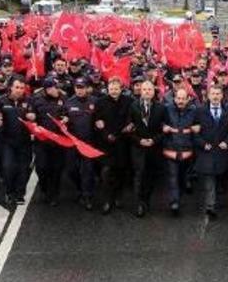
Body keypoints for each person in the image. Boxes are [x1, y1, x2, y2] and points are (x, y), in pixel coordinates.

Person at [192, 85, 228, 218]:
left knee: (221, 177)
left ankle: (218, 199)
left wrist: (227, 142)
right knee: (209, 178)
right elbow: (194, 131)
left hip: (223, 151)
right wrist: (202, 143)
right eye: (213, 94)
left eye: (218, 93)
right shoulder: (200, 110)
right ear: (208, 95)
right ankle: (210, 206)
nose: (215, 96)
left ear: (222, 95)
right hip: (207, 150)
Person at [93, 77, 133, 214]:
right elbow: (97, 122)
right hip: (106, 143)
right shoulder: (100, 102)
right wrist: (106, 135)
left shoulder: (128, 101)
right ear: (107, 89)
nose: (114, 91)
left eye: (116, 89)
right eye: (111, 89)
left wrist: (125, 130)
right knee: (106, 171)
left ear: (121, 89)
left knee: (121, 171)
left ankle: (118, 196)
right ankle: (107, 199)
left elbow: (130, 119)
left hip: (122, 142)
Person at [128, 81, 165, 217]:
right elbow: (129, 129)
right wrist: (139, 141)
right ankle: (138, 203)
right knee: (139, 174)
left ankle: (146, 199)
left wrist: (154, 140)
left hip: (153, 147)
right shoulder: (133, 106)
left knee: (150, 175)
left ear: (153, 91)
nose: (147, 92)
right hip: (138, 147)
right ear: (140, 91)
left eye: (149, 89)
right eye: (144, 89)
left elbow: (164, 129)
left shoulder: (161, 108)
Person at [0, 77, 36, 205]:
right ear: (11, 88)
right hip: (7, 141)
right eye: (17, 87)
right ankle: (9, 191)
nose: (19, 90)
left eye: (22, 88)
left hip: (24, 141)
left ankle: (20, 194)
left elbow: (34, 116)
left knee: (23, 169)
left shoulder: (29, 100)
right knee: (8, 167)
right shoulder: (1, 100)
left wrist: (33, 117)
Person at [31, 77, 67, 206]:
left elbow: (66, 112)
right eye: (55, 87)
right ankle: (44, 188)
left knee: (57, 169)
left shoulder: (63, 97)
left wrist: (66, 118)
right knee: (41, 167)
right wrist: (33, 123)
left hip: (57, 141)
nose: (58, 89)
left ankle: (54, 194)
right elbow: (31, 116)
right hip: (41, 140)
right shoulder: (36, 99)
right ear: (47, 89)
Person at [64, 77, 98, 210]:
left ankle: (87, 196)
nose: (80, 90)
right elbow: (61, 119)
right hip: (73, 143)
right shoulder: (68, 103)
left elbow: (100, 118)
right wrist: (64, 120)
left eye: (82, 87)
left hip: (88, 142)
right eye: (77, 87)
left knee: (88, 170)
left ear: (87, 88)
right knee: (71, 170)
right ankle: (79, 187)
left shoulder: (95, 102)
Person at [163, 88, 196, 215]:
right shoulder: (167, 108)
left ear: (188, 99)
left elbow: (199, 124)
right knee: (173, 177)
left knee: (182, 178)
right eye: (178, 98)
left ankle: (178, 197)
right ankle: (174, 202)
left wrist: (196, 127)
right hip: (171, 149)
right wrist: (163, 127)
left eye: (183, 98)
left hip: (187, 150)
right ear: (175, 98)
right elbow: (159, 121)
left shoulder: (194, 111)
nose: (180, 101)